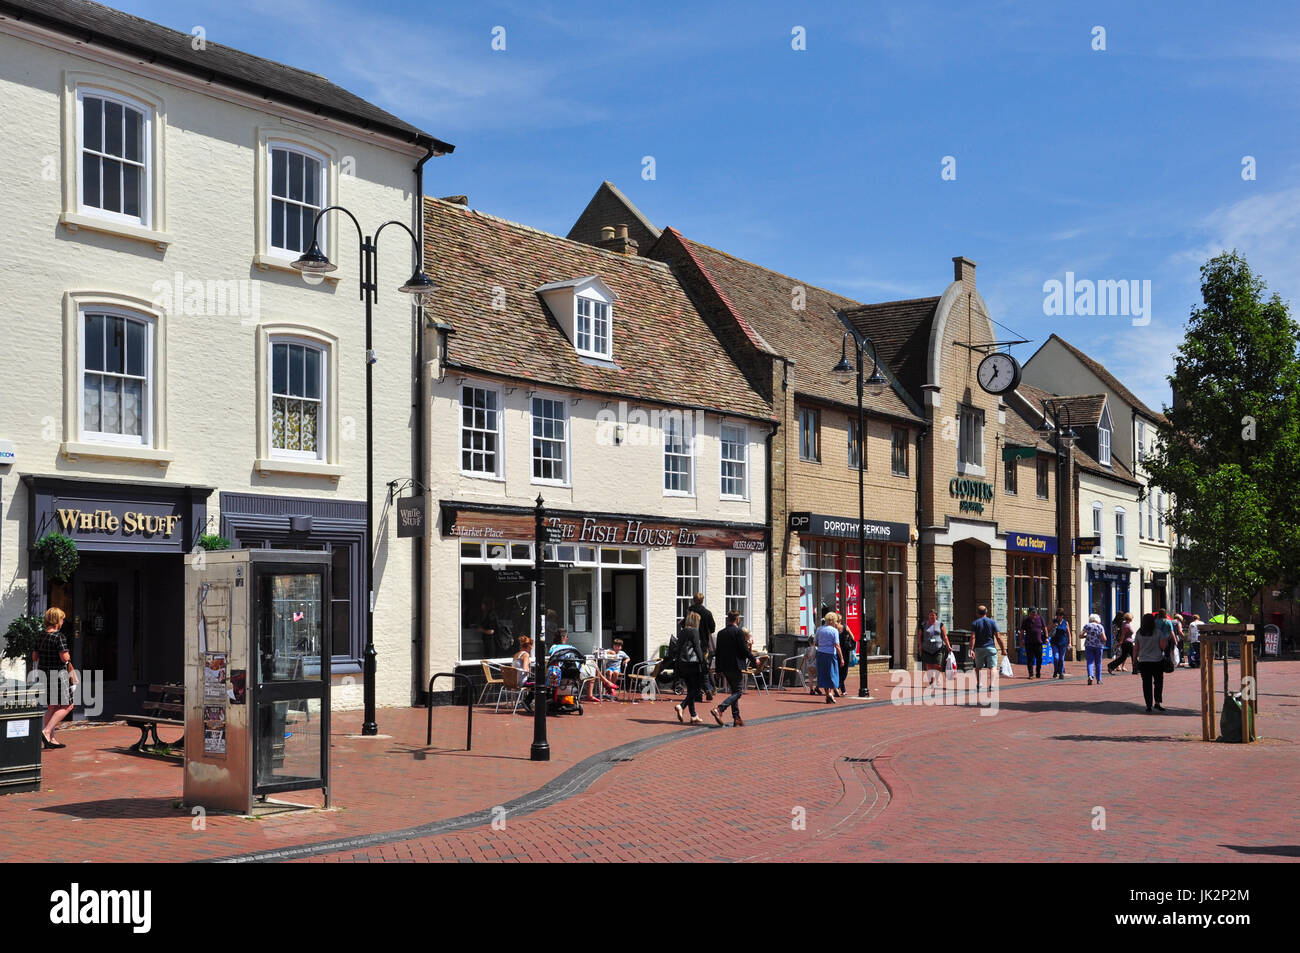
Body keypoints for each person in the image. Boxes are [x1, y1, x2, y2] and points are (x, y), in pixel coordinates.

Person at [34, 608, 77, 749]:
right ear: (57, 620)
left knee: (52, 706)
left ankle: (50, 739)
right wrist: (68, 655)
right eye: (62, 619)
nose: (63, 621)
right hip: (58, 675)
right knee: (68, 705)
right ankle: (46, 732)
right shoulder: (59, 637)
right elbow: (64, 658)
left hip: (44, 674)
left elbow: (34, 657)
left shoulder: (40, 636)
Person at [711, 610, 756, 726]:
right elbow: (744, 650)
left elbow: (718, 652)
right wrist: (754, 659)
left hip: (725, 667)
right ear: (737, 619)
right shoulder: (738, 632)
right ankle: (720, 709)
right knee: (738, 692)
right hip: (735, 666)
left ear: (728, 619)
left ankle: (736, 717)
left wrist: (718, 669)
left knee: (734, 691)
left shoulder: (721, 633)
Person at [673, 614, 706, 724]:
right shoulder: (694, 631)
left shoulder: (682, 632)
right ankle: (681, 706)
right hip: (693, 664)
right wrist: (703, 661)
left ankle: (693, 715)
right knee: (696, 690)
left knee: (690, 689)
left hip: (682, 664)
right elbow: (697, 647)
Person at [1135, 611, 1171, 713]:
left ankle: (1148, 705)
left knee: (1146, 684)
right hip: (1157, 661)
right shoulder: (1158, 632)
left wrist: (1134, 660)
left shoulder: (1139, 632)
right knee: (1158, 682)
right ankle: (1157, 702)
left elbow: (1136, 648)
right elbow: (1163, 647)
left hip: (1143, 661)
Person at [970, 605, 1007, 697]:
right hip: (991, 648)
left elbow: (973, 637)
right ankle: (992, 685)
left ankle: (979, 684)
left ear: (977, 613)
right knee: (993, 667)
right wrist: (1003, 649)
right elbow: (998, 637)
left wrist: (971, 649)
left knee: (978, 667)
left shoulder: (975, 623)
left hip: (979, 648)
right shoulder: (992, 622)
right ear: (986, 612)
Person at [809, 612, 845, 705]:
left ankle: (827, 694)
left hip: (821, 654)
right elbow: (837, 645)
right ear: (833, 621)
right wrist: (841, 658)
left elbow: (815, 643)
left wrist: (823, 643)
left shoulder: (819, 629)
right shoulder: (834, 631)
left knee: (824, 674)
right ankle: (830, 693)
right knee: (832, 674)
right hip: (830, 655)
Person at [687, 593, 717, 701]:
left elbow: (686, 625)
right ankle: (708, 688)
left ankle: (698, 693)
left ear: (694, 600)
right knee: (703, 667)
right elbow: (712, 628)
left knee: (694, 669)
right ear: (702, 600)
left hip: (691, 644)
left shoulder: (690, 611)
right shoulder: (707, 613)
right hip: (703, 644)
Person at [918, 610, 950, 686]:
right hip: (927, 648)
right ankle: (931, 678)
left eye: (933, 615)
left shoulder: (940, 625)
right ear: (928, 616)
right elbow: (919, 637)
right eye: (930, 615)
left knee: (938, 665)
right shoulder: (923, 625)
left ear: (936, 616)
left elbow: (945, 636)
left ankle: (937, 677)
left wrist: (948, 646)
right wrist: (920, 646)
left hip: (938, 648)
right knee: (929, 665)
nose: (932, 616)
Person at [1081, 613, 1109, 684]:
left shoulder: (1087, 626)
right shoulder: (1100, 627)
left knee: (1090, 662)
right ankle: (1099, 679)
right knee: (1098, 663)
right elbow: (1104, 638)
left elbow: (1080, 635)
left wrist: (1086, 636)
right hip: (1098, 646)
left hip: (1089, 645)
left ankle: (1090, 675)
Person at [1020, 608, 1046, 678]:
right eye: (1032, 613)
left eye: (1035, 613)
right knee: (1030, 659)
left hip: (1038, 642)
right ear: (1029, 613)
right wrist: (1021, 641)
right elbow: (1022, 631)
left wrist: (1046, 637)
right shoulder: (1026, 621)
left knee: (1039, 659)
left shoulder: (1040, 619)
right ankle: (1031, 674)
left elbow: (1044, 628)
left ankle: (1038, 672)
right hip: (1029, 643)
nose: (1034, 615)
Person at [1049, 609, 1071, 679]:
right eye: (1058, 615)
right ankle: (1055, 671)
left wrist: (1070, 643)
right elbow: (1047, 629)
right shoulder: (1053, 621)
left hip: (1063, 643)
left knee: (1061, 658)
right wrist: (1053, 626)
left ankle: (1061, 672)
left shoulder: (1066, 623)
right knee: (1056, 657)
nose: (1059, 616)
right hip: (1054, 643)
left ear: (1063, 616)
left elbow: (1068, 633)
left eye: (1061, 615)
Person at [836, 618, 856, 696]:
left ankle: (840, 688)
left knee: (838, 671)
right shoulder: (845, 627)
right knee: (844, 671)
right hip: (845, 651)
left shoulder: (834, 629)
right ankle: (839, 688)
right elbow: (853, 637)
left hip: (837, 651)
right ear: (840, 620)